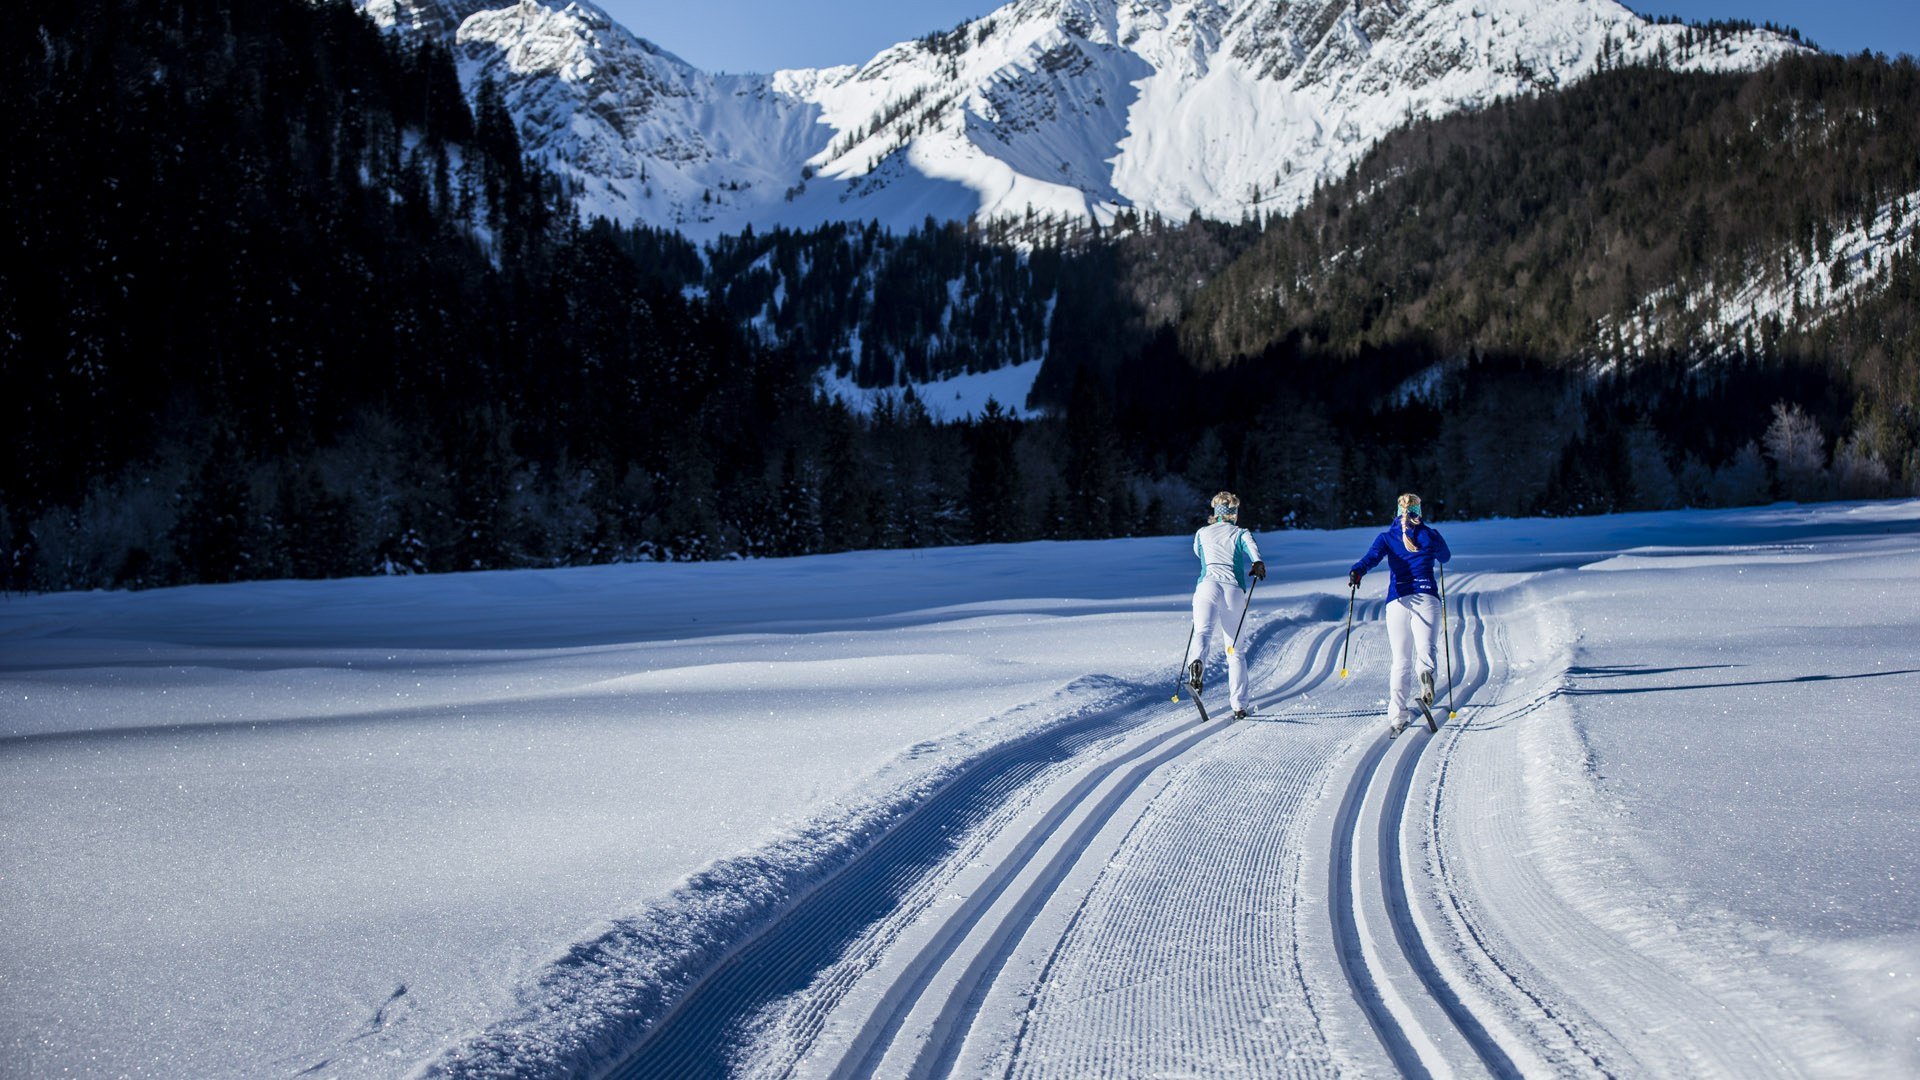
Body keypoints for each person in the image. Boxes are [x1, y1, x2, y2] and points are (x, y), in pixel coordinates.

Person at [1348, 493, 1452, 736]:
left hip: (1397, 601)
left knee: (1400, 660)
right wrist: (1432, 542)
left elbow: (1370, 559)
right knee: (1426, 651)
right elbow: (1445, 557)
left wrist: (1356, 572)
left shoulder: (1387, 537)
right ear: (1419, 511)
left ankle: (1397, 716)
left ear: (1396, 512)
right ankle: (1426, 674)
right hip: (1426, 597)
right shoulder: (1430, 534)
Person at [1187, 492, 1266, 719]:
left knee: (1202, 631)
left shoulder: (1202, 533)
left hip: (1207, 587)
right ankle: (1239, 705)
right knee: (1235, 652)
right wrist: (1257, 563)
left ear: (1215, 513)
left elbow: (1197, 553)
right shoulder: (1240, 533)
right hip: (1232, 590)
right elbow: (1253, 551)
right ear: (1234, 513)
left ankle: (1197, 663)